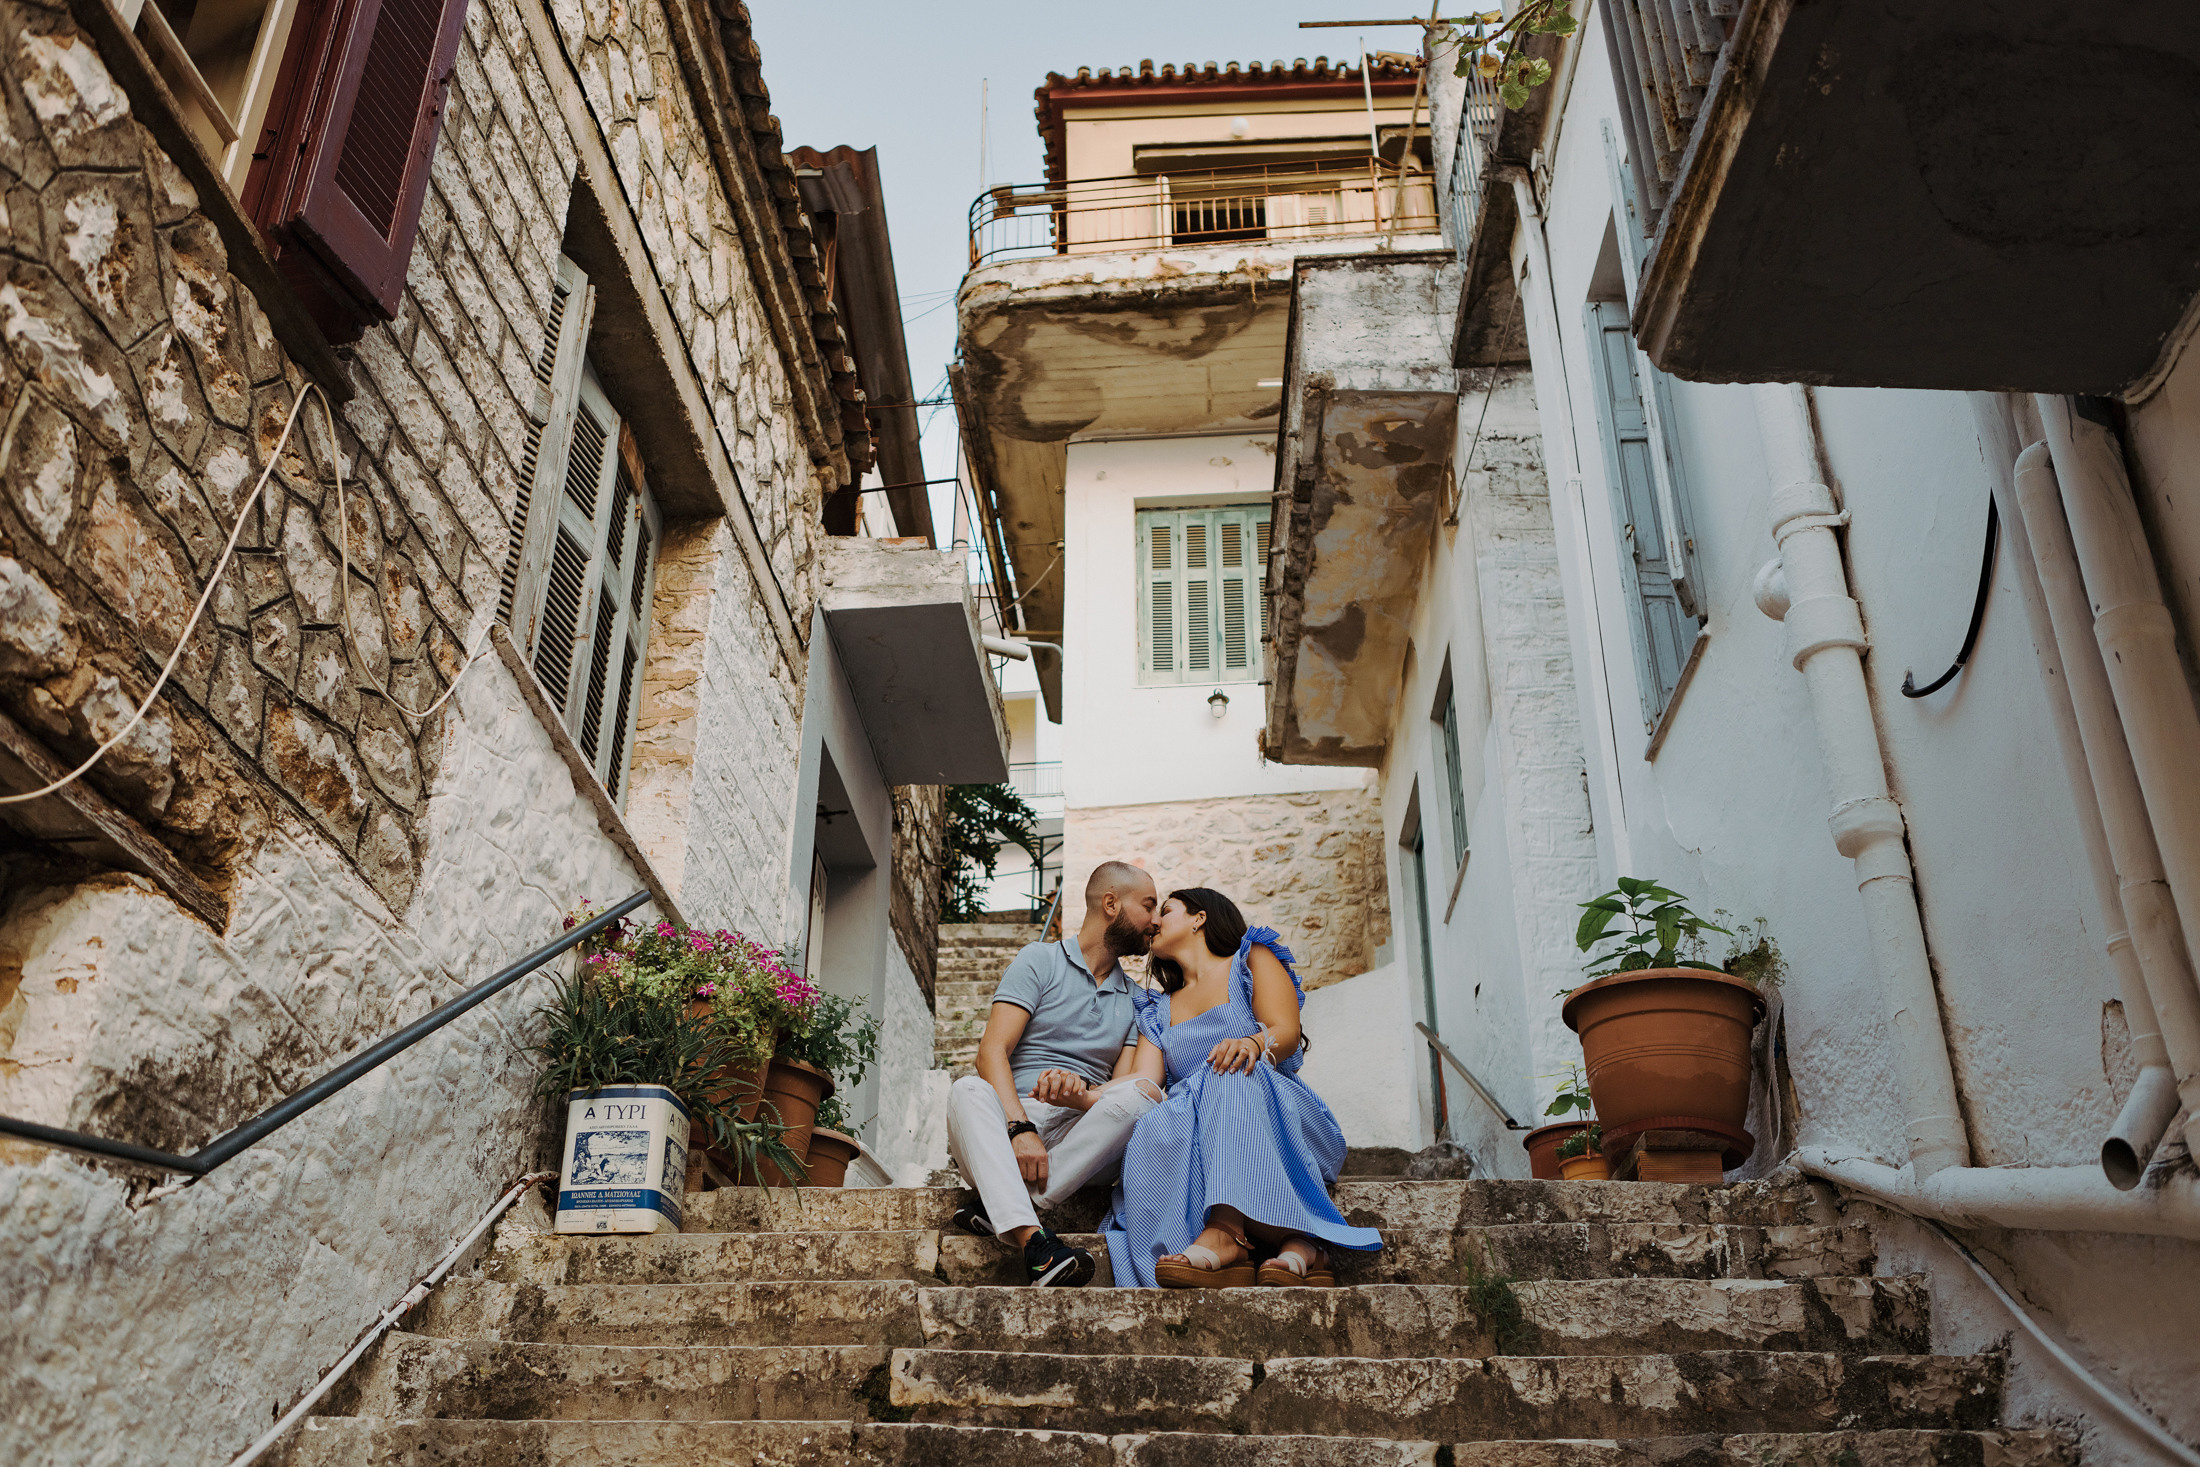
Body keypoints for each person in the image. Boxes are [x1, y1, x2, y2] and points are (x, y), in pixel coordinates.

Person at [1100, 887, 1383, 1288]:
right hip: (1201, 1128)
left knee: (1228, 1070)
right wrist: (1083, 1094)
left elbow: (1286, 1031)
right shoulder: (1158, 1009)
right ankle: (1301, 1244)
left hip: (1279, 1114)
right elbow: (1144, 1081)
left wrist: (1252, 1043)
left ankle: (1225, 1232)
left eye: (1166, 910)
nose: (1154, 922)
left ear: (1199, 918)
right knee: (1152, 1124)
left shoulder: (1250, 960)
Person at [944, 861, 1166, 1286]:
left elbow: (1119, 1088)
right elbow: (991, 1053)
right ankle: (1036, 1243)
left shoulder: (1136, 1000)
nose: (1155, 921)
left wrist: (1079, 1094)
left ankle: (1001, 1205)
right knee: (967, 1090)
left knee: (1145, 1092)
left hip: (1079, 1140)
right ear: (1111, 904)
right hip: (1005, 1132)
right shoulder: (1039, 960)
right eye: (1149, 905)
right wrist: (1019, 1128)